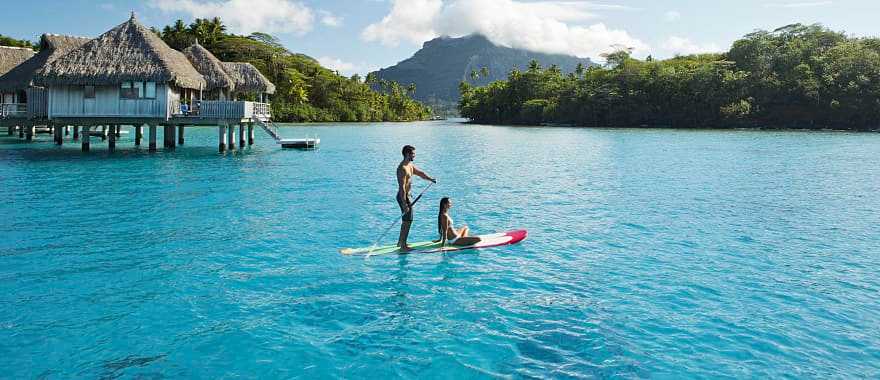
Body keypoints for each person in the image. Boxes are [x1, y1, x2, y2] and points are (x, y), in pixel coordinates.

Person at [397, 145, 436, 251]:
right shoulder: (402, 169)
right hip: (403, 197)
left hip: (406, 196)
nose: (414, 155)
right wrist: (405, 204)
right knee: (408, 221)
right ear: (407, 154)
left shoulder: (409, 165)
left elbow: (420, 173)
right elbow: (402, 188)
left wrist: (430, 179)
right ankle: (403, 245)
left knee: (406, 220)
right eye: (413, 153)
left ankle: (400, 242)